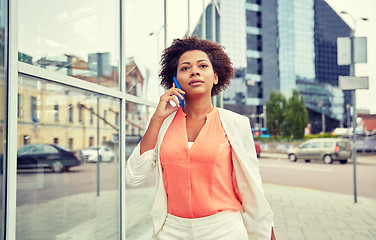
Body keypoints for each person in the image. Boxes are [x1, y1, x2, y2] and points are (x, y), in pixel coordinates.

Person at [126, 36, 276, 240]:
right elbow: (134, 177)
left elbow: (252, 184)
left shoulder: (236, 123)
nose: (194, 71)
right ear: (175, 80)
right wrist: (156, 118)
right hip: (171, 230)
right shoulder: (162, 124)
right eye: (185, 68)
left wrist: (267, 231)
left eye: (202, 66)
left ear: (215, 76)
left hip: (224, 229)